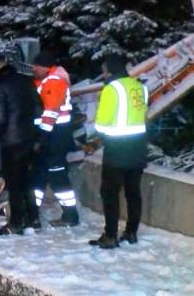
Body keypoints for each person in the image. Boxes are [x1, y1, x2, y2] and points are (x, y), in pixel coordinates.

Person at [89, 54, 149, 249]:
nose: (103, 73)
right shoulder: (139, 86)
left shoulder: (111, 89)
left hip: (117, 150)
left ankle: (110, 235)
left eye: (104, 70)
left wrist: (103, 137)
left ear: (110, 70)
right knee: (133, 193)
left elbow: (102, 123)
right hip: (138, 148)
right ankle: (131, 232)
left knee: (110, 193)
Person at [0, 54, 42, 235]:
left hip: (11, 141)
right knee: (27, 181)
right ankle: (33, 218)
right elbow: (39, 107)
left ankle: (16, 222)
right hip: (29, 139)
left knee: (14, 183)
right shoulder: (26, 81)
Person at [30, 51, 80, 227]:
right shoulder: (48, 80)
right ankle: (31, 212)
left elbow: (50, 112)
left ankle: (71, 215)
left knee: (57, 176)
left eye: (36, 66)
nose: (33, 69)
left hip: (54, 136)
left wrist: (41, 137)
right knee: (39, 174)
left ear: (46, 67)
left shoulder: (54, 81)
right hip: (54, 135)